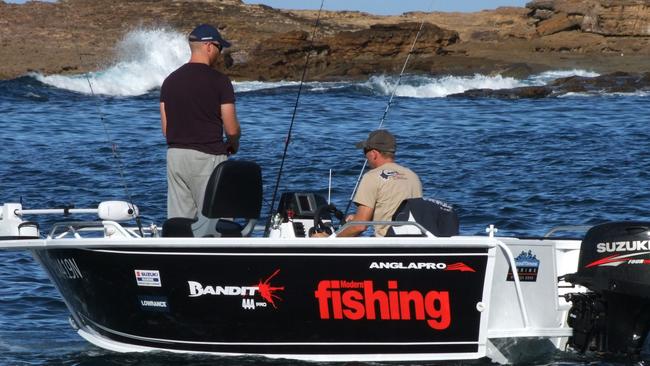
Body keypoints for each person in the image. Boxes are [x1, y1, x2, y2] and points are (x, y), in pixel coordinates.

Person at [160, 24, 241, 220]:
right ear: (209, 46)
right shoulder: (220, 81)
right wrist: (234, 143)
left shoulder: (169, 81)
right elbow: (231, 128)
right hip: (208, 158)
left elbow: (166, 129)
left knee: (181, 223)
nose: (220, 53)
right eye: (219, 48)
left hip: (176, 157)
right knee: (216, 222)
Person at [313, 130, 423, 237]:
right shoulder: (412, 176)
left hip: (386, 244)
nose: (365, 156)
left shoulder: (372, 177)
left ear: (374, 154)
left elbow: (359, 226)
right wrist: (357, 217)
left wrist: (330, 239)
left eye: (365, 151)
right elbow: (396, 210)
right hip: (413, 241)